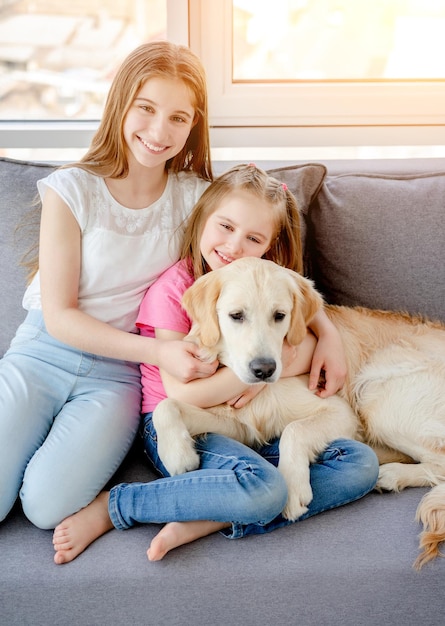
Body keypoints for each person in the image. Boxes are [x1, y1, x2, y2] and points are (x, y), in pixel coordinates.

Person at [52, 164, 379, 564]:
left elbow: (301, 317)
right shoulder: (177, 291)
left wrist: (326, 334)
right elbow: (182, 393)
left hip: (243, 425)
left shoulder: (272, 284)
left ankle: (213, 517)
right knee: (264, 488)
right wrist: (253, 381)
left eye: (254, 237)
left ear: (269, 245)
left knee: (363, 464)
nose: (234, 246)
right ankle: (120, 505)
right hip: (182, 418)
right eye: (225, 227)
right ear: (202, 218)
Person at [0, 41, 219, 531]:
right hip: (41, 352)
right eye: (146, 108)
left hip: (119, 376)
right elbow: (60, 315)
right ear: (121, 103)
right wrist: (160, 353)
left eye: (178, 118)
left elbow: (263, 257)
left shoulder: (195, 199)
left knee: (45, 507)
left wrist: (325, 334)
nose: (159, 131)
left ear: (193, 126)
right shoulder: (72, 189)